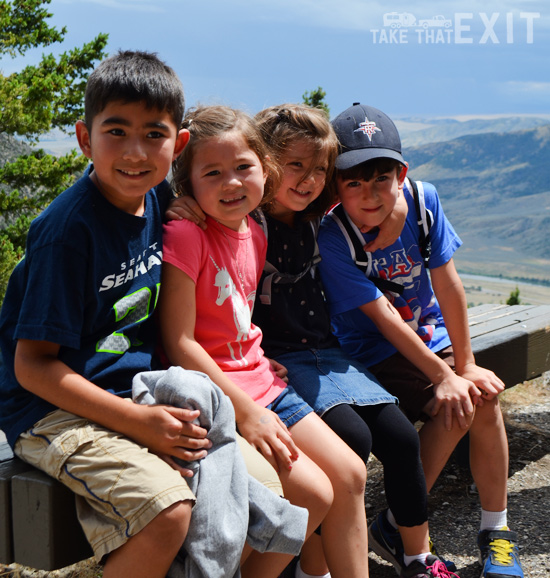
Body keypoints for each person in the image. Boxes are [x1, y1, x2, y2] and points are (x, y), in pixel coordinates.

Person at [0, 51, 305, 578]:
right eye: (115, 132)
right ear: (83, 138)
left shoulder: (159, 199)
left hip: (135, 390)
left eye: (154, 135)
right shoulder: (67, 233)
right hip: (49, 412)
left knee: (268, 494)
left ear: (178, 143)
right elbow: (32, 368)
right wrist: (139, 423)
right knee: (169, 511)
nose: (135, 152)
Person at [159, 104, 371, 578]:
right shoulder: (186, 233)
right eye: (211, 172)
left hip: (259, 379)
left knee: (351, 475)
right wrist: (248, 411)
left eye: (242, 168)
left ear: (264, 168)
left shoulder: (254, 232)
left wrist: (255, 355)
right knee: (313, 493)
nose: (231, 183)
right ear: (188, 181)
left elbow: (235, 318)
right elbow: (180, 342)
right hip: (220, 395)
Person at [317, 102, 523, 578]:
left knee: (484, 396)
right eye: (354, 182)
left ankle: (497, 531)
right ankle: (399, 521)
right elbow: (382, 317)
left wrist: (465, 365)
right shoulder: (335, 235)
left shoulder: (423, 201)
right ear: (335, 185)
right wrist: (443, 376)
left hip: (425, 334)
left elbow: (447, 284)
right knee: (457, 403)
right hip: (371, 348)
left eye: (381, 179)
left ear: (401, 173)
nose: (370, 194)